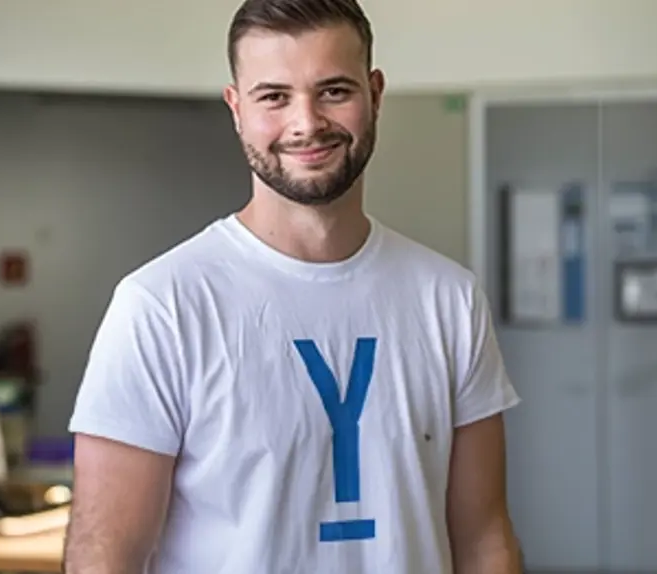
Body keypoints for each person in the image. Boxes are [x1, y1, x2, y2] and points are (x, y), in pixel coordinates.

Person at [63, 0, 523, 572]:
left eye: (334, 91)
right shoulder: (162, 305)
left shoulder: (449, 298)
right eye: (274, 96)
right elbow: (106, 556)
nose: (306, 123)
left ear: (375, 94)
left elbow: (483, 538)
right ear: (236, 107)